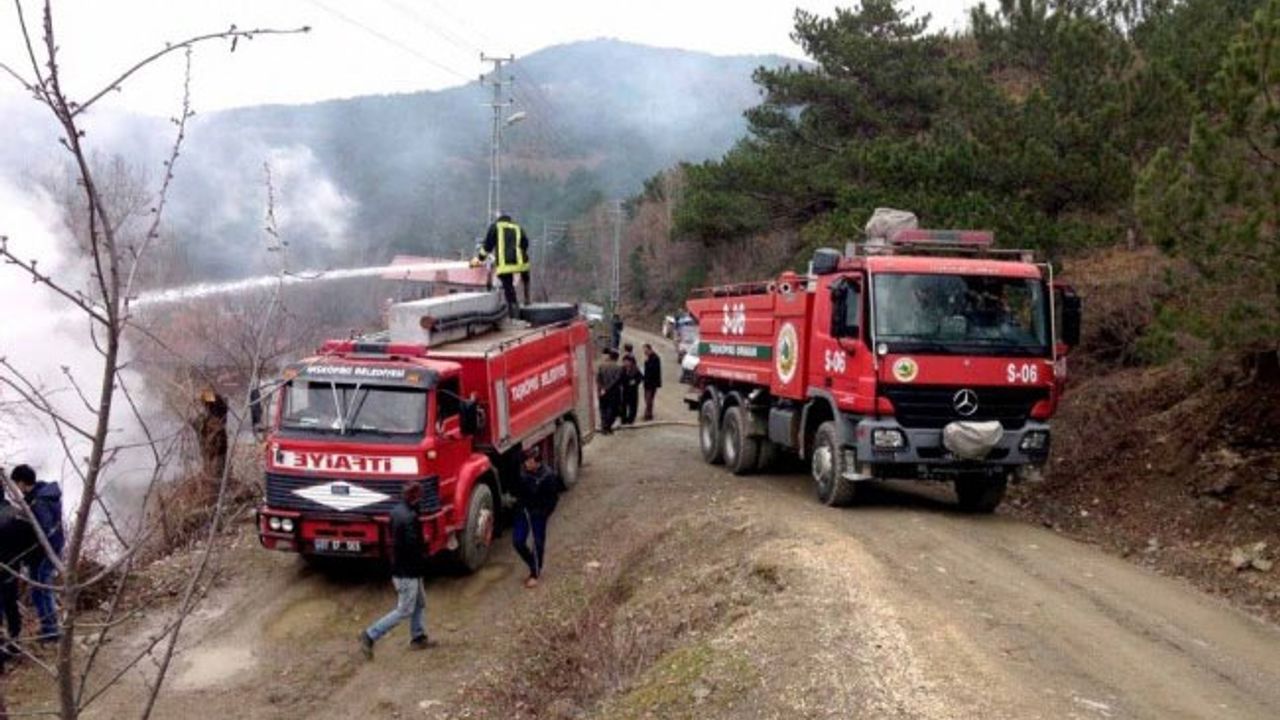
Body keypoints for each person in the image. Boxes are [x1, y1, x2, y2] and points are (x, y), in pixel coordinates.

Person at [358, 482, 432, 659]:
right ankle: (370, 635)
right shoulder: (411, 518)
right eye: (420, 496)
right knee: (404, 610)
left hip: (402, 569)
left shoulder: (396, 512)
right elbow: (414, 546)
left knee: (419, 603)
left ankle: (418, 637)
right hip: (408, 572)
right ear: (415, 498)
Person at [12, 465, 62, 643]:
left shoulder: (39, 501)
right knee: (39, 589)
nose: (17, 489)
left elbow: (44, 528)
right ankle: (49, 627)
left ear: (22, 482)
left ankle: (51, 630)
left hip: (45, 552)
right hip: (49, 549)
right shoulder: (44, 494)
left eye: (17, 484)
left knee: (42, 589)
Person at [511, 447, 561, 589]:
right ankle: (532, 562)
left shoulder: (548, 476)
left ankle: (535, 573)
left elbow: (553, 500)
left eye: (528, 461)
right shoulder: (522, 473)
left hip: (538, 513)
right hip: (523, 511)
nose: (526, 463)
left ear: (535, 461)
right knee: (518, 541)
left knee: (538, 542)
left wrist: (543, 513)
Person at [0, 481, 37, 663]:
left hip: (7, 567)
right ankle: (13, 643)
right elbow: (32, 540)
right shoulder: (17, 513)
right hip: (12, 568)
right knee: (11, 605)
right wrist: (21, 560)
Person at [472, 213, 531, 318]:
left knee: (509, 287)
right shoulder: (517, 227)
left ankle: (514, 315)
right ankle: (527, 300)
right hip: (522, 262)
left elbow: (487, 247)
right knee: (525, 277)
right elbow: (525, 243)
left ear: (499, 220)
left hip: (506, 264)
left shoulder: (495, 226)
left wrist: (479, 258)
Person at [192, 389, 229, 482]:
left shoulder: (214, 422)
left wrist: (201, 396)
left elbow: (213, 398)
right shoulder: (209, 420)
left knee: (216, 472)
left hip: (216, 450)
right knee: (213, 469)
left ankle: (216, 486)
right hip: (212, 450)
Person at [596, 349, 623, 434]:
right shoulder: (618, 368)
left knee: (603, 409)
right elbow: (617, 380)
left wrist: (601, 389)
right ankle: (607, 427)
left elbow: (598, 379)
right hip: (614, 392)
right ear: (617, 358)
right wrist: (607, 388)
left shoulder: (601, 366)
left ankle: (605, 427)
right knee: (612, 410)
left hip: (602, 391)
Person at [642, 343, 662, 422]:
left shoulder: (654, 358)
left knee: (648, 399)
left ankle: (647, 415)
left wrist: (646, 362)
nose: (644, 352)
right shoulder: (651, 357)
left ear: (649, 349)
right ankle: (649, 414)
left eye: (645, 350)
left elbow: (653, 370)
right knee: (648, 399)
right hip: (648, 382)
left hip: (651, 383)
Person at [619, 355, 642, 426]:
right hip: (625, 390)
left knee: (633, 405)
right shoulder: (622, 369)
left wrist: (635, 382)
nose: (625, 363)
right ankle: (623, 419)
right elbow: (620, 378)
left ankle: (631, 419)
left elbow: (640, 378)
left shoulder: (636, 369)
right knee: (623, 405)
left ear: (631, 362)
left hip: (633, 390)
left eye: (626, 361)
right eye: (624, 361)